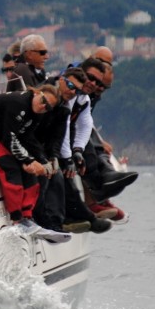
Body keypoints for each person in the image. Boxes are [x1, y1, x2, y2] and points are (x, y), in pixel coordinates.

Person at [0, 84, 70, 243]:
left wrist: (44, 161)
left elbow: (28, 138)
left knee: (29, 170)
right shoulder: (18, 103)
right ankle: (17, 219)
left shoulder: (37, 113)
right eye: (43, 101)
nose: (43, 107)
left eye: (48, 107)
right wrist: (28, 160)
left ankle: (27, 217)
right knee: (10, 166)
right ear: (37, 93)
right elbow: (10, 139)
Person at [33, 69, 111, 234]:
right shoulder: (45, 96)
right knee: (57, 174)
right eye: (69, 85)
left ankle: (75, 216)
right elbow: (30, 131)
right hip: (31, 145)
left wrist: (74, 153)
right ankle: (57, 221)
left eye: (76, 89)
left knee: (65, 170)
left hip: (45, 148)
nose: (72, 91)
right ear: (61, 79)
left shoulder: (68, 105)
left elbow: (64, 134)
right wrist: (59, 159)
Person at [81, 47, 137, 221]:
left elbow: (85, 119)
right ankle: (93, 200)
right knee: (87, 155)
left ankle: (102, 198)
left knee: (97, 149)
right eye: (98, 85)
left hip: (78, 127)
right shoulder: (79, 79)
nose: (99, 88)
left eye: (104, 87)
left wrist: (99, 140)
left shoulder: (93, 90)